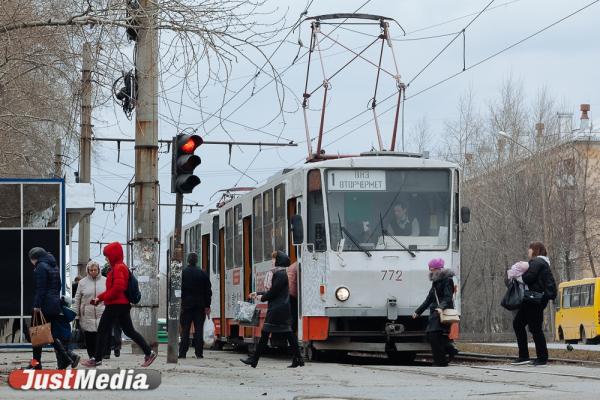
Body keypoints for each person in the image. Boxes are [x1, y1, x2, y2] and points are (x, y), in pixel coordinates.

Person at [81, 242, 157, 368]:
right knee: (129, 331)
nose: (106, 258)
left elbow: (118, 288)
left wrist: (104, 299)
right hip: (121, 304)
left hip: (115, 304)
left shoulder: (118, 268)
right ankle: (149, 353)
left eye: (107, 256)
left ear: (113, 255)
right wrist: (100, 298)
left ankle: (97, 359)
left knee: (102, 330)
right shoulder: (119, 267)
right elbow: (114, 288)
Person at [241, 251, 304, 368]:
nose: (272, 261)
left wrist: (262, 297)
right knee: (289, 334)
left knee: (265, 334)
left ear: (279, 260)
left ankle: (254, 360)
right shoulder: (281, 273)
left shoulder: (280, 274)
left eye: (274, 259)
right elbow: (275, 291)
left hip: (277, 310)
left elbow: (273, 292)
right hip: (281, 308)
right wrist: (258, 293)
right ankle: (298, 359)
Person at [27, 247, 79, 370]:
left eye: (31, 260)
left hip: (44, 305)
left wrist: (37, 305)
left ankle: (65, 358)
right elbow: (59, 285)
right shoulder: (53, 266)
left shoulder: (41, 266)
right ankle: (39, 362)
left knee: (40, 333)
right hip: (54, 304)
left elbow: (41, 288)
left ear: (35, 258)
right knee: (42, 333)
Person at [511, 242, 557, 366]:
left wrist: (517, 275)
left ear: (535, 250)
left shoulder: (537, 262)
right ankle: (524, 356)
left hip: (534, 299)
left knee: (534, 328)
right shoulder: (542, 262)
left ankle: (541, 357)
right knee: (519, 324)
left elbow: (528, 278)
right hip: (533, 299)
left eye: (530, 249)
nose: (528, 251)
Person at [412, 258, 455, 367]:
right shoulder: (436, 282)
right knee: (434, 336)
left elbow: (448, 297)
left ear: (438, 269)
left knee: (434, 335)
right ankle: (449, 352)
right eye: (430, 269)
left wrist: (440, 307)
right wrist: (418, 312)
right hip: (435, 311)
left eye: (432, 269)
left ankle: (441, 361)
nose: (430, 271)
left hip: (442, 311)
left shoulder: (447, 280)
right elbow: (429, 299)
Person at [179, 252, 212, 359]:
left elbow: (179, 289)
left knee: (185, 330)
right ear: (196, 261)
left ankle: (182, 353)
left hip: (186, 306)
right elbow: (208, 291)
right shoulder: (202, 274)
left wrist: (182, 301)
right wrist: (207, 305)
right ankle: (199, 353)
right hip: (200, 306)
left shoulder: (183, 273)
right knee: (199, 330)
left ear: (188, 261)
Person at [73, 260, 107, 359]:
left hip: (101, 311)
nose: (93, 272)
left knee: (100, 335)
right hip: (87, 312)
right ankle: (91, 355)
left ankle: (98, 355)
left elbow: (109, 295)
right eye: (91, 270)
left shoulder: (105, 281)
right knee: (89, 336)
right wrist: (76, 314)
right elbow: (77, 298)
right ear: (88, 270)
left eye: (95, 270)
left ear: (98, 270)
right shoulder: (82, 282)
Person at [101, 262, 122, 358]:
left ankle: (107, 352)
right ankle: (116, 348)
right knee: (117, 328)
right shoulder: (121, 271)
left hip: (110, 304)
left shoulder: (106, 276)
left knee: (108, 328)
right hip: (119, 305)